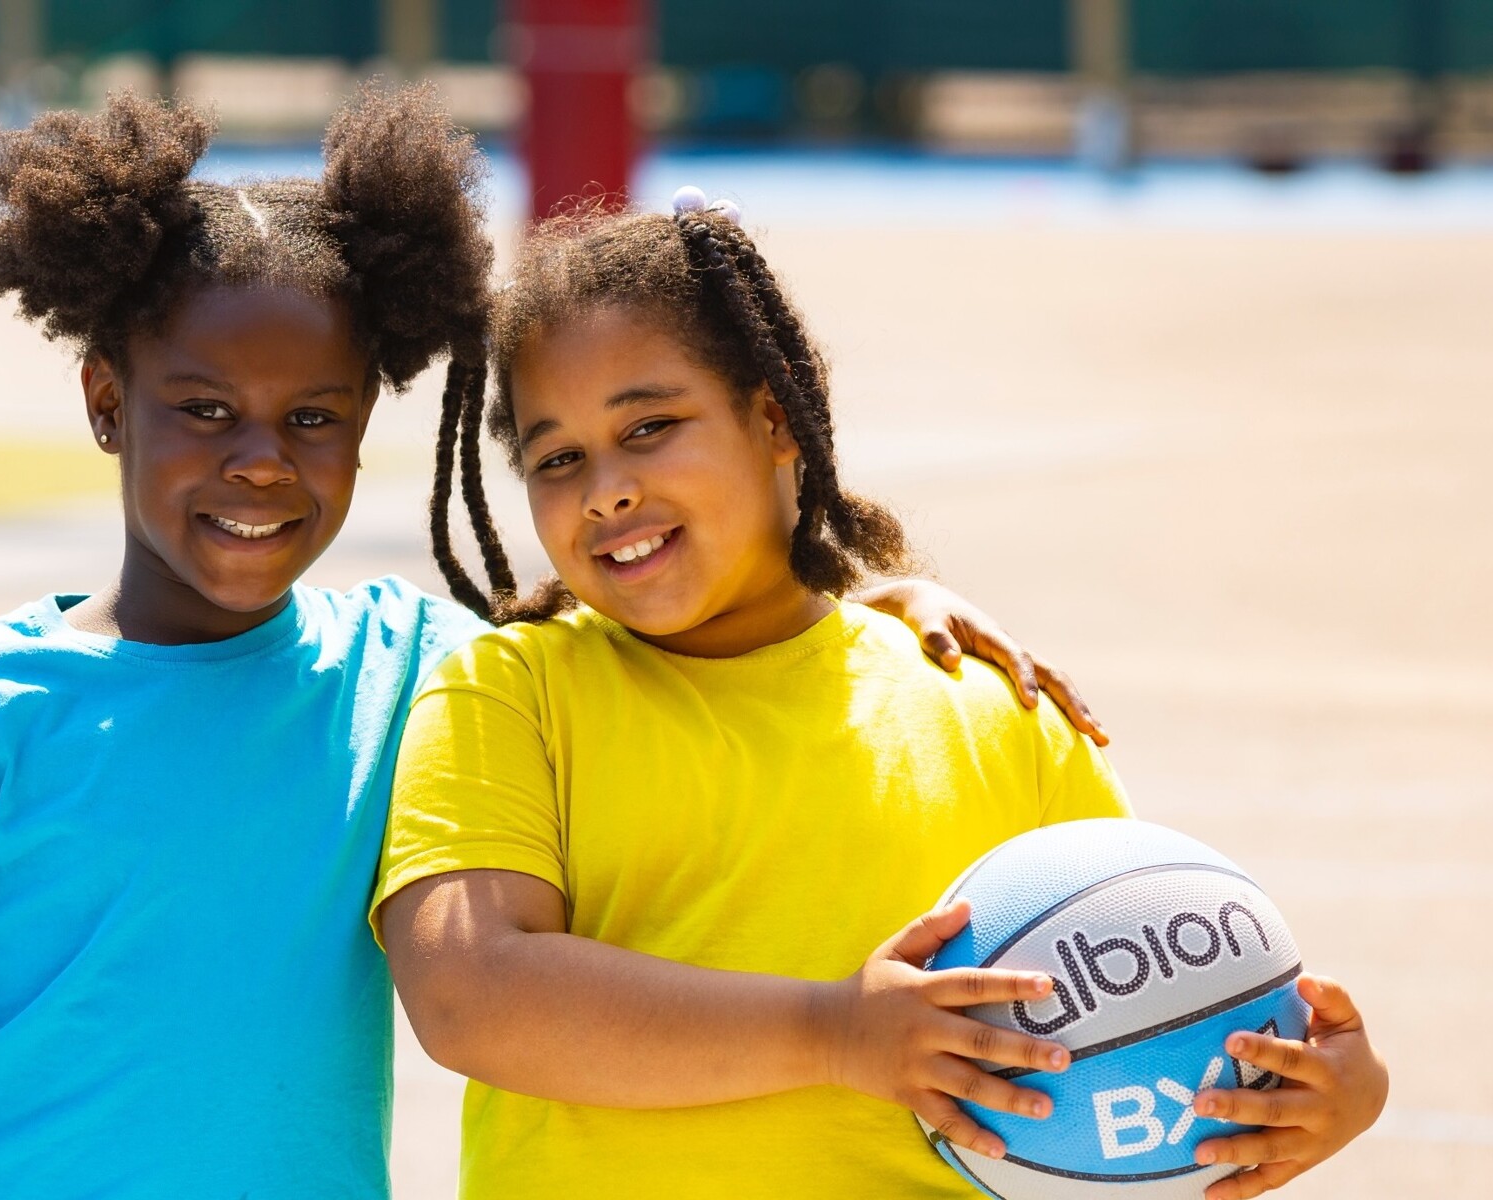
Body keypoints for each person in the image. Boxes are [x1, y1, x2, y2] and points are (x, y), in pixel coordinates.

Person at [0, 95, 1084, 1200]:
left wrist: (885, 599)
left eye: (313, 419)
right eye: (204, 410)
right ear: (108, 399)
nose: (259, 462)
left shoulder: (415, 669)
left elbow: (668, 607)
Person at [373, 192, 1388, 1200]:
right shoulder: (507, 695)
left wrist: (1311, 1093)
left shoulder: (986, 703)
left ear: (774, 419)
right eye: (557, 459)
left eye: (649, 427)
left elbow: (1153, 1018)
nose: (604, 489)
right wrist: (831, 1033)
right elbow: (468, 997)